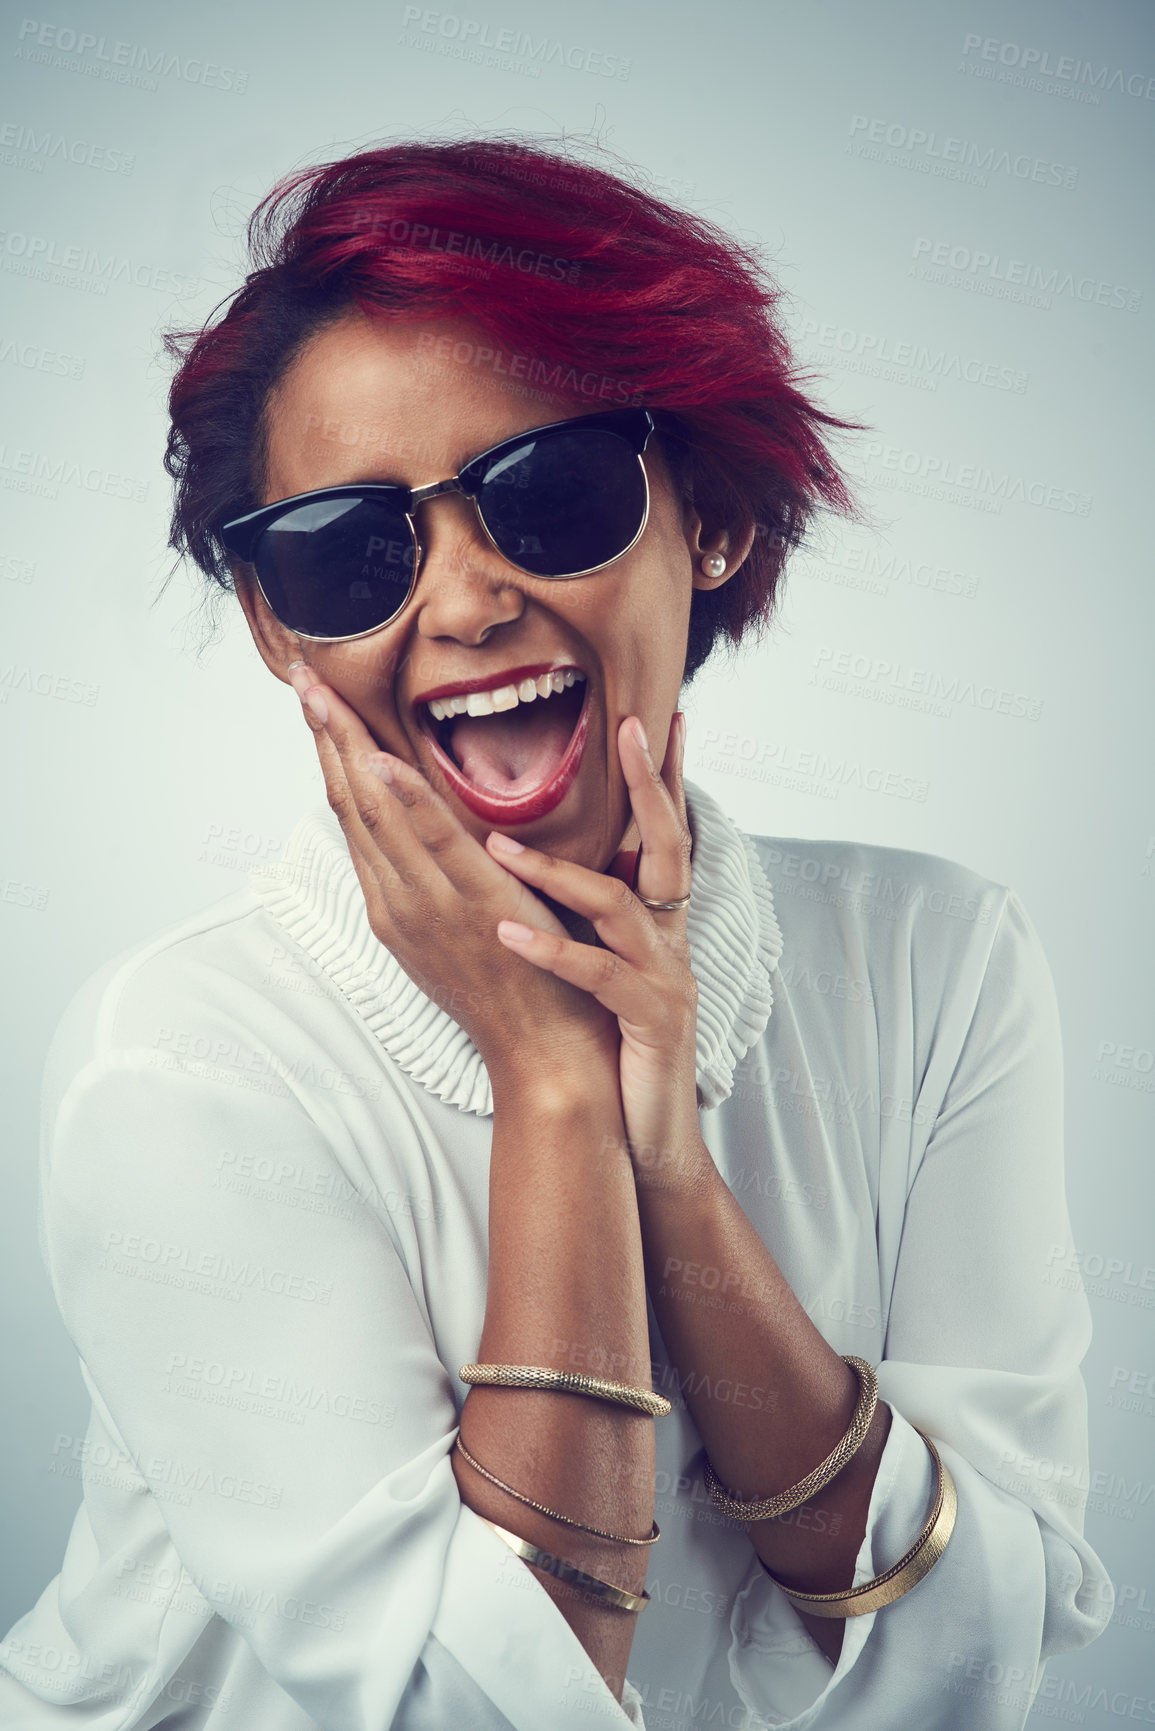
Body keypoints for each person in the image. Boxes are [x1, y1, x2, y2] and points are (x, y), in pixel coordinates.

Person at [0, 137, 1112, 1730]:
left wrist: (675, 1169)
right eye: (344, 547)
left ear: (711, 517)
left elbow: (993, 1626)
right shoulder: (178, 1066)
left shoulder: (934, 962)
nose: (462, 604)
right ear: (273, 628)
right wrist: (559, 1086)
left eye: (552, 493)